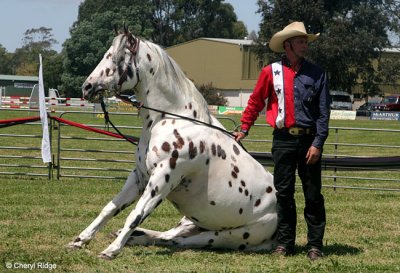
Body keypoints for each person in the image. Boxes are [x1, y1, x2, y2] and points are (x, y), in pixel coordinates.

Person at [234, 21, 330, 260]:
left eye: (306, 41)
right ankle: (285, 243)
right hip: (283, 140)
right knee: (284, 194)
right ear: (287, 45)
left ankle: (315, 245)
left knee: (313, 195)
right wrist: (244, 128)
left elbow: (323, 113)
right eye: (300, 41)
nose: (304, 45)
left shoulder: (318, 74)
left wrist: (318, 143)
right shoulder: (271, 72)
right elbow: (256, 101)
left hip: (309, 142)